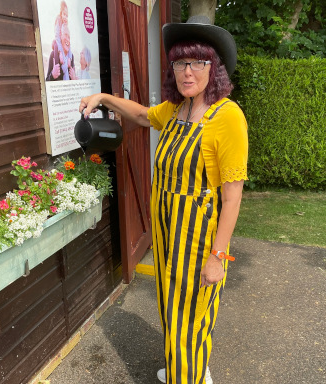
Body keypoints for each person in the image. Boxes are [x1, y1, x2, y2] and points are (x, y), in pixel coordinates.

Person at [79, 15, 248, 384]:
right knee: (172, 303)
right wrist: (105, 98)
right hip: (169, 230)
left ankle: (186, 377)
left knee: (193, 309)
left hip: (198, 232)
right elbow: (141, 115)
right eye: (179, 62)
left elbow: (232, 195)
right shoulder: (177, 109)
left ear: (213, 67)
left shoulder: (228, 116)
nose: (187, 72)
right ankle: (187, 368)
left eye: (198, 62)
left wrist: (218, 256)